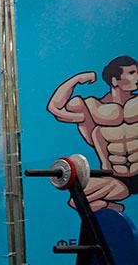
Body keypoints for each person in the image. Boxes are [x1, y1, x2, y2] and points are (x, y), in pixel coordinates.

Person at [47, 55, 138, 211]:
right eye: (131, 73)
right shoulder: (91, 108)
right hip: (118, 179)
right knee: (77, 200)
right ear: (114, 80)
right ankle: (114, 209)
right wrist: (77, 79)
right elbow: (55, 108)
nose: (136, 77)